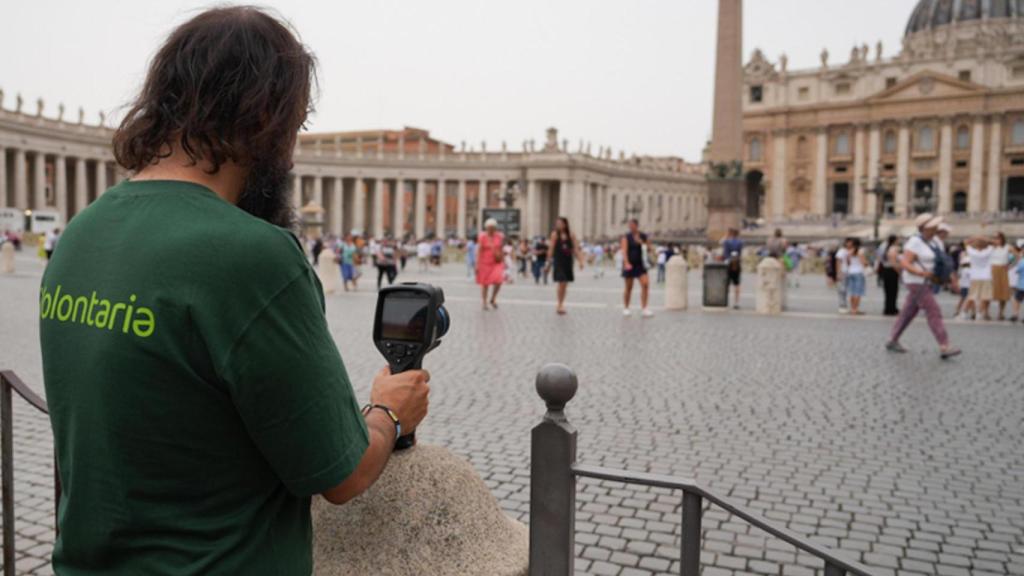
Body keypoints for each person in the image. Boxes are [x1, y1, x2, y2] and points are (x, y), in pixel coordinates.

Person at [38, 8, 431, 573]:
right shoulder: (255, 255)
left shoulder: (82, 232)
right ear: (267, 115)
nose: (291, 152)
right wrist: (390, 412)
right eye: (295, 127)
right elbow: (342, 475)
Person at [886, 216, 960, 359]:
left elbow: (942, 261)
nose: (936, 229)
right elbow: (905, 263)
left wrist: (951, 278)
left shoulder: (935, 241)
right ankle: (944, 345)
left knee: (908, 312)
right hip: (916, 281)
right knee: (933, 311)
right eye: (933, 227)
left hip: (928, 281)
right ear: (924, 228)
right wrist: (920, 272)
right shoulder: (914, 242)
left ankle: (892, 340)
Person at [547, 217, 586, 315]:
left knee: (565, 284)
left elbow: (576, 249)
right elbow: (551, 249)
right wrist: (548, 262)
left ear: (565, 224)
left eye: (560, 223)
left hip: (568, 262)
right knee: (562, 282)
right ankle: (560, 304)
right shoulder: (555, 235)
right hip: (558, 261)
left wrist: (581, 261)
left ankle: (561, 303)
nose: (558, 225)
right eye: (557, 223)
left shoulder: (571, 235)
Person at [621, 218, 654, 317]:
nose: (630, 227)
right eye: (629, 225)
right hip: (630, 264)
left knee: (645, 284)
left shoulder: (643, 236)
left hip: (641, 264)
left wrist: (641, 243)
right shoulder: (626, 237)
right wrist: (626, 263)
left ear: (636, 225)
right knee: (629, 287)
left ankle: (644, 308)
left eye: (632, 225)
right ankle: (626, 307)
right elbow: (624, 251)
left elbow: (650, 248)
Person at [476, 219, 505, 310]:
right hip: (484, 263)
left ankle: (493, 298)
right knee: (485, 284)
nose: (491, 230)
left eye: (493, 228)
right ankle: (484, 302)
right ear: (486, 228)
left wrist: (503, 258)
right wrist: (477, 265)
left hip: (496, 262)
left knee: (499, 280)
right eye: (489, 228)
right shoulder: (482, 237)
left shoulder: (499, 236)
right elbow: (479, 251)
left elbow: (501, 248)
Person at [965, 234, 994, 321]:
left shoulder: (971, 252)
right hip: (986, 276)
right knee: (984, 297)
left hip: (974, 276)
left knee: (972, 295)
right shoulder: (988, 251)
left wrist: (976, 237)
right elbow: (993, 243)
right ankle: (979, 313)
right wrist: (985, 239)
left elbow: (966, 242)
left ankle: (965, 311)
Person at [989, 232, 1012, 320]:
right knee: (990, 292)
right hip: (992, 269)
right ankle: (986, 312)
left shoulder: (1007, 247)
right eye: (995, 238)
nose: (996, 240)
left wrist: (1010, 265)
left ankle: (1001, 312)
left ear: (1002, 239)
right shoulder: (990, 247)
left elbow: (1017, 256)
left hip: (1002, 269)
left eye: (998, 238)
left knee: (1003, 293)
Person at [878, 235, 901, 316]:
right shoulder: (893, 249)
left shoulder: (885, 248)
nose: (899, 241)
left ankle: (889, 308)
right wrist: (899, 272)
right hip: (891, 271)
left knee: (888, 291)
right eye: (898, 239)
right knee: (893, 291)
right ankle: (891, 309)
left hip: (886, 270)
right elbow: (894, 263)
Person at [721, 228, 744, 309]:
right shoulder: (740, 242)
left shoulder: (727, 242)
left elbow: (723, 249)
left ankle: (725, 301)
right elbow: (740, 252)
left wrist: (726, 236)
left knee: (726, 283)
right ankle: (736, 303)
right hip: (737, 263)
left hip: (728, 263)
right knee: (737, 284)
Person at [845, 238, 868, 315]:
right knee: (858, 292)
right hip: (858, 272)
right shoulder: (860, 251)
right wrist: (866, 263)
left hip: (850, 272)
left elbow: (848, 263)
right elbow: (863, 262)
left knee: (852, 291)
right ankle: (856, 309)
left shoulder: (849, 252)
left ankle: (852, 308)